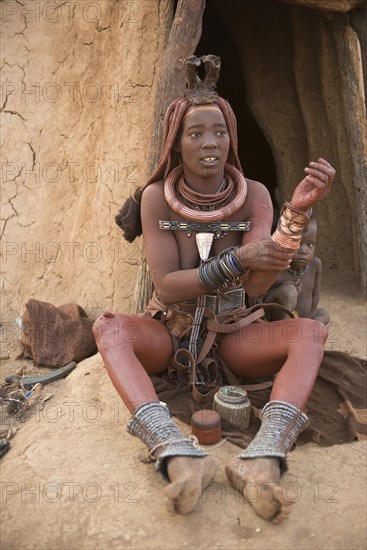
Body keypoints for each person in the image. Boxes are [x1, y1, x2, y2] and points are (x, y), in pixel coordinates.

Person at [93, 55, 336, 523]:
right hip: (172, 334)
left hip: (236, 334)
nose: (210, 143)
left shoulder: (257, 195)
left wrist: (296, 215)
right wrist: (238, 259)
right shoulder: (156, 199)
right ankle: (174, 452)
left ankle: (263, 460)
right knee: (110, 329)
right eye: (196, 133)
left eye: (220, 132)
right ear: (176, 143)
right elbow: (167, 283)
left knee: (309, 333)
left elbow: (258, 283)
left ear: (232, 138)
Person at [260, 215, 330, 324]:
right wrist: (284, 291)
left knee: (323, 314)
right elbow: (260, 297)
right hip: (275, 319)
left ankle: (306, 327)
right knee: (289, 291)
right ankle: (284, 329)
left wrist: (309, 316)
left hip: (303, 318)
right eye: (297, 243)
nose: (303, 251)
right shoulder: (278, 266)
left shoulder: (315, 264)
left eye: (310, 245)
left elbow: (315, 295)